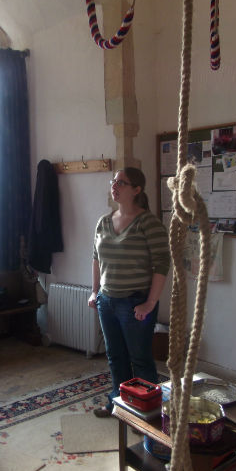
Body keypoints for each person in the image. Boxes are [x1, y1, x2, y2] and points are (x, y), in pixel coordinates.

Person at [88, 168, 170, 417]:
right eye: (114, 181)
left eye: (121, 182)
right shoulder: (104, 222)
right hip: (107, 302)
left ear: (136, 190)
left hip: (135, 302)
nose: (115, 186)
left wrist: (150, 303)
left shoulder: (148, 223)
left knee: (140, 359)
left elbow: (162, 264)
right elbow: (95, 258)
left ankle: (149, 413)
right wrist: (95, 292)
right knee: (115, 357)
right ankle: (119, 404)